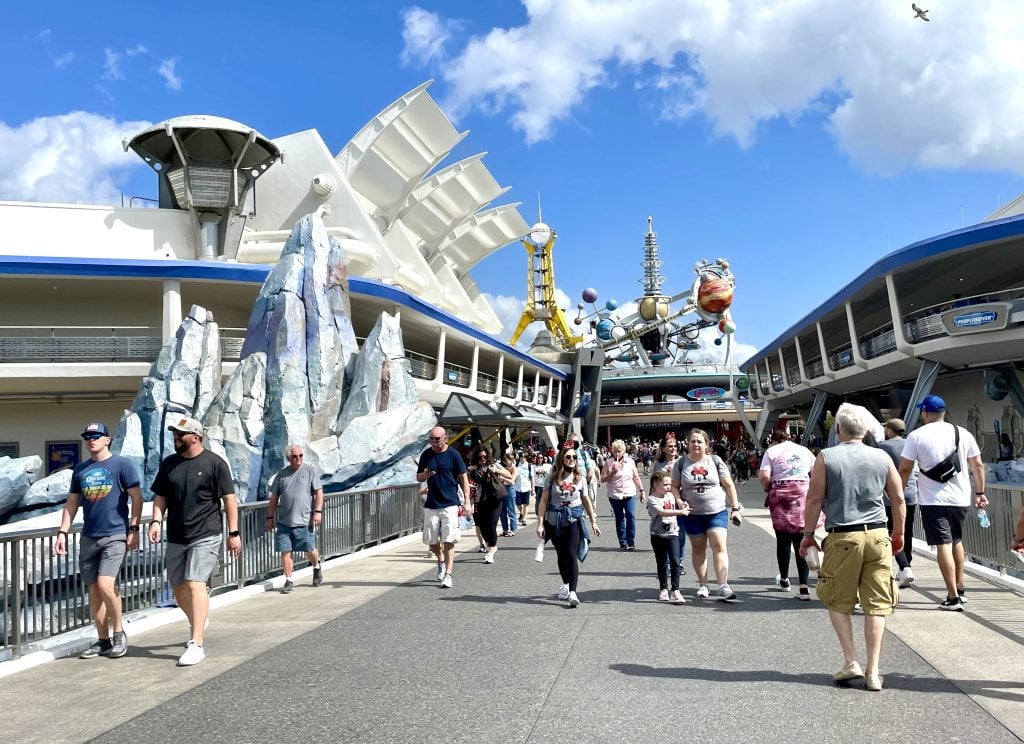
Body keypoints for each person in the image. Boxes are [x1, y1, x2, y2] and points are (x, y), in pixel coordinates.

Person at [799, 405, 904, 692]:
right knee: (877, 605)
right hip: (878, 536)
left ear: (838, 430)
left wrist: (808, 535)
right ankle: (874, 670)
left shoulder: (827, 457)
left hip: (843, 536)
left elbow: (814, 499)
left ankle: (850, 661)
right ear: (867, 431)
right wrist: (898, 532)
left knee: (836, 599)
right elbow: (898, 499)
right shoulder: (881, 457)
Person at [149, 417, 241, 666]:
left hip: (206, 534)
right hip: (177, 535)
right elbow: (160, 497)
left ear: (196, 437)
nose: (176, 438)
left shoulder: (215, 464)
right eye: (175, 434)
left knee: (194, 582)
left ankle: (195, 643)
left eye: (181, 434)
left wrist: (233, 534)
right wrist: (156, 521)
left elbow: (229, 501)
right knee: (178, 588)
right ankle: (198, 618)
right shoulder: (170, 464)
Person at [55, 422, 143, 660]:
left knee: (105, 584)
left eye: (96, 436)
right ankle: (102, 640)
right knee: (94, 589)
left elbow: (137, 498)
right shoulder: (81, 470)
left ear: (108, 439)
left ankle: (119, 634)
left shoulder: (122, 465)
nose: (91, 440)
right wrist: (62, 532)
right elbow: (71, 504)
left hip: (115, 534)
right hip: (89, 536)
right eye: (87, 437)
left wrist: (133, 528)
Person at [898, 395, 986, 611]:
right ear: (943, 413)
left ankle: (952, 597)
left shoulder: (916, 436)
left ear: (925, 413)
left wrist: (898, 491)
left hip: (932, 500)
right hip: (961, 498)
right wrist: (980, 492)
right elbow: (978, 465)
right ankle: (960, 588)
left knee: (943, 544)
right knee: (956, 540)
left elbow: (906, 469)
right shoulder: (962, 433)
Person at [672, 428, 742, 601]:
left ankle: (723, 586)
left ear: (706, 444)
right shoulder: (680, 463)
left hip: (716, 511)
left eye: (699, 441)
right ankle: (703, 584)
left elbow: (729, 485)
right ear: (687, 444)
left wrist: (734, 508)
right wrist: (679, 500)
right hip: (693, 513)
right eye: (693, 441)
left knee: (719, 545)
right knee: (698, 548)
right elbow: (674, 486)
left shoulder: (715, 461)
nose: (696, 444)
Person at [537, 446, 601, 607]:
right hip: (554, 520)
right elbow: (544, 501)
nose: (572, 460)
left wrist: (593, 521)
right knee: (561, 555)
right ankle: (566, 584)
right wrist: (540, 524)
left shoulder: (579, 478)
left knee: (571, 554)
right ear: (561, 460)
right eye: (568, 457)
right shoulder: (551, 478)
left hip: (573, 519)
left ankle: (573, 592)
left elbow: (585, 500)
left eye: (574, 457)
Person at [758, 430, 815, 600]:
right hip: (802, 495)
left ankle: (784, 579)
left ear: (774, 441)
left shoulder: (772, 451)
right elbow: (816, 472)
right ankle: (804, 587)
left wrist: (769, 487)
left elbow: (764, 476)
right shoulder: (804, 450)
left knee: (783, 541)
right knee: (801, 540)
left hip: (780, 495)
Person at [267, 444, 324, 594]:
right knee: (286, 551)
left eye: (300, 455)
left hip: (304, 520)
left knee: (309, 549)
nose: (298, 458)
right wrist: (269, 516)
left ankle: (316, 567)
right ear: (288, 458)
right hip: (285, 521)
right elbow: (274, 498)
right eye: (294, 456)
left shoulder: (310, 471)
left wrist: (317, 511)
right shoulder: (282, 475)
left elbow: (319, 492)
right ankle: (288, 580)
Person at [416, 426, 469, 587]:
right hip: (432, 503)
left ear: (445, 438)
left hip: (450, 502)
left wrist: (467, 501)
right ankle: (441, 561)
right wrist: (424, 475)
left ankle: (448, 574)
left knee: (449, 538)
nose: (434, 442)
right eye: (431, 439)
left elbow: (463, 477)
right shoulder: (426, 454)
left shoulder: (453, 455)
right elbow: (418, 477)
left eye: (437, 439)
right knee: (431, 540)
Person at [878, 419, 919, 588]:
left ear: (889, 430)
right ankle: (907, 563)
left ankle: (904, 567)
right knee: (906, 531)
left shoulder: (883, 446)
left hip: (890, 496)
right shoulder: (911, 444)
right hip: (911, 494)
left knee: (892, 532)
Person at [646, 471, 690, 603]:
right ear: (655, 484)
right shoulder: (652, 499)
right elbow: (662, 512)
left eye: (669, 484)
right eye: (665, 484)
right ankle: (663, 589)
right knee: (662, 562)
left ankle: (676, 590)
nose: (668, 487)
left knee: (675, 561)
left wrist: (684, 505)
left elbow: (679, 504)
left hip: (672, 533)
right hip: (658, 535)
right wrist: (680, 512)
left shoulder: (670, 495)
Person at [467, 445, 512, 564]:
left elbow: (509, 475)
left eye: (485, 457)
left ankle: (490, 551)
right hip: (480, 500)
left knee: (492, 526)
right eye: (480, 457)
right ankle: (490, 545)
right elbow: (466, 477)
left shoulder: (493, 465)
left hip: (494, 499)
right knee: (482, 527)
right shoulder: (474, 469)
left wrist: (496, 471)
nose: (483, 459)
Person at [601, 439, 645, 550]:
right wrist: (612, 472)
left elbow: (636, 477)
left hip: (629, 493)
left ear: (624, 451)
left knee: (630, 515)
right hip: (615, 494)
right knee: (619, 517)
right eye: (615, 451)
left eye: (619, 451)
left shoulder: (630, 462)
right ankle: (623, 542)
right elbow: (602, 479)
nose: (617, 453)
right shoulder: (609, 462)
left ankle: (631, 541)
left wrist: (642, 491)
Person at [652, 433, 685, 572]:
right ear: (663, 449)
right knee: (664, 531)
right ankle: (666, 561)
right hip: (663, 503)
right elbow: (653, 484)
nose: (673, 448)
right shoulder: (658, 465)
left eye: (675, 446)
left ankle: (678, 562)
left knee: (679, 532)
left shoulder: (682, 462)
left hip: (679, 501)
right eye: (670, 446)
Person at [499, 451, 519, 537]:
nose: (508, 462)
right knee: (502, 510)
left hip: (510, 489)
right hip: (503, 489)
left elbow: (512, 481)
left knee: (511, 510)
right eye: (507, 460)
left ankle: (512, 529)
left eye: (510, 460)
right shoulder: (505, 469)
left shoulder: (514, 469)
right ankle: (505, 529)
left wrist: (503, 478)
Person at [514, 452, 534, 527]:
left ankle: (524, 519)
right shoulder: (516, 465)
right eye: (521, 456)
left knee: (526, 504)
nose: (522, 458)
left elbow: (532, 478)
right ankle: (522, 513)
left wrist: (533, 488)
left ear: (526, 457)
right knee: (518, 503)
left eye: (524, 457)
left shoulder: (529, 466)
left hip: (527, 487)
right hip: (517, 487)